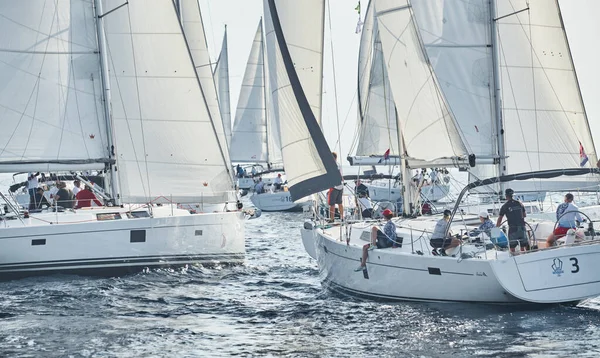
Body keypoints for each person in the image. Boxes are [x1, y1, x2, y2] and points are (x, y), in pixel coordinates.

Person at [496, 188, 529, 252]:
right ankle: (523, 257)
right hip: (522, 228)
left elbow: (500, 218)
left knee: (512, 248)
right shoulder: (519, 203)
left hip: (513, 229)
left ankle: (514, 259)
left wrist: (496, 228)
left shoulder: (505, 206)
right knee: (523, 247)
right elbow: (524, 215)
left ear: (506, 196)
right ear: (512, 195)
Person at [328, 152, 344, 222]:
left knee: (332, 204)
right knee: (340, 203)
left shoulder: (332, 165)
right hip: (341, 186)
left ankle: (332, 219)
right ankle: (342, 217)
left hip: (334, 186)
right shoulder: (339, 165)